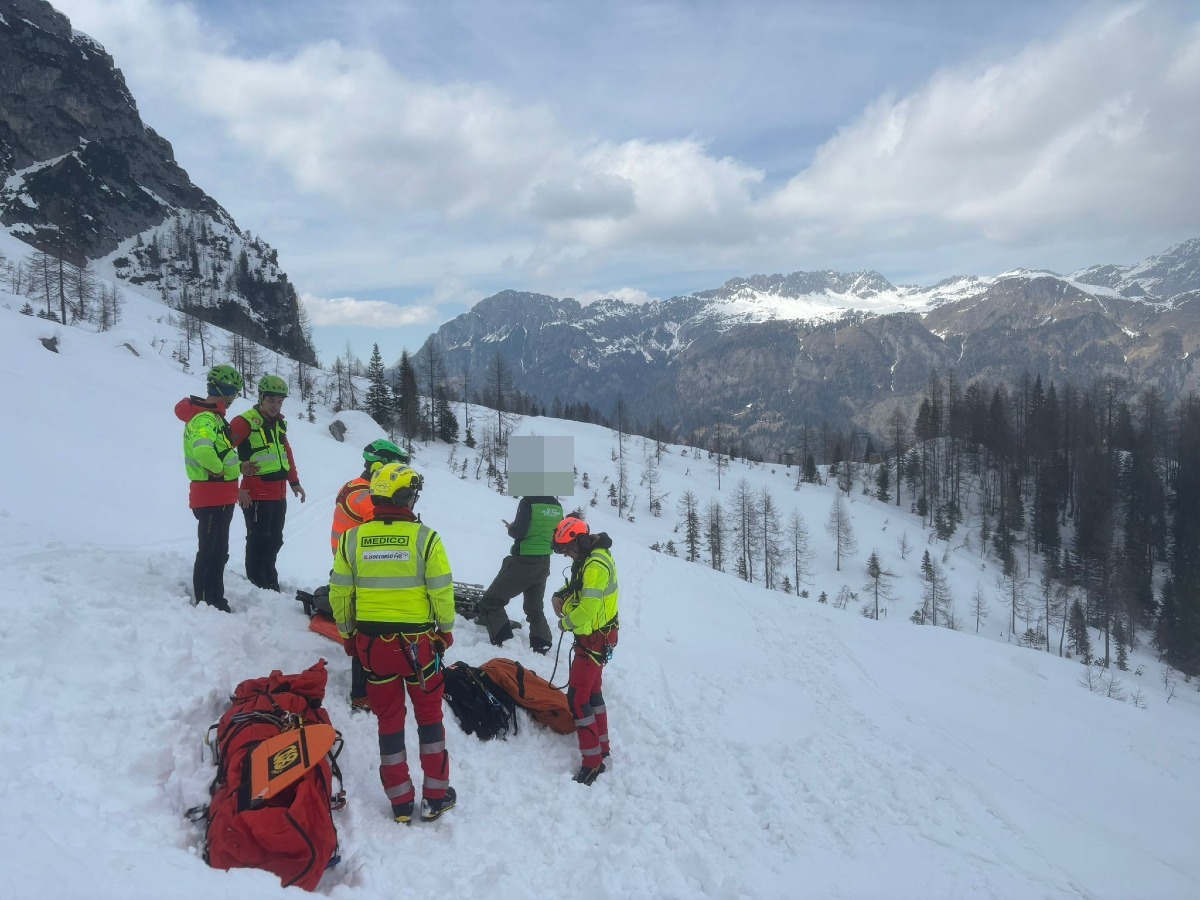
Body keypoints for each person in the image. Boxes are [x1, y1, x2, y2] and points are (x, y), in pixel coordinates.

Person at [328, 463, 457, 823]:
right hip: (419, 647)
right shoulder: (425, 538)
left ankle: (400, 801)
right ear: (406, 497)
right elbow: (441, 592)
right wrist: (445, 630)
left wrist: (348, 635)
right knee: (429, 719)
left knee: (388, 721)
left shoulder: (353, 539)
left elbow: (340, 592)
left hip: (373, 647)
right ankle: (434, 796)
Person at [329, 439, 411, 711]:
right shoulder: (366, 497)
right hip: (358, 570)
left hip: (354, 564)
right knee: (366, 627)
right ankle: (361, 693)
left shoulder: (353, 486)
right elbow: (386, 528)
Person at [550, 517, 619, 785]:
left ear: (579, 541)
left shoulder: (595, 565)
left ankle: (592, 763)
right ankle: (602, 748)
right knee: (592, 693)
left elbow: (588, 608)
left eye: (568, 548)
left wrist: (565, 621)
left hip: (593, 639)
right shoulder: (589, 559)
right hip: (597, 637)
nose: (566, 554)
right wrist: (559, 594)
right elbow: (577, 588)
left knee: (578, 699)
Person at [175, 364, 244, 612]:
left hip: (220, 495)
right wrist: (218, 469)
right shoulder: (206, 418)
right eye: (234, 392)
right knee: (211, 550)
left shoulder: (213, 418)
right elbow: (203, 449)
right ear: (226, 392)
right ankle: (207, 600)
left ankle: (214, 598)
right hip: (212, 494)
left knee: (218, 549)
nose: (234, 398)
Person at [230, 374, 305, 592]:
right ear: (261, 397)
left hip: (278, 493)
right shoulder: (243, 422)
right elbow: (222, 453)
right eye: (271, 400)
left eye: (280, 401)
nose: (276, 405)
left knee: (275, 540)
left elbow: (286, 453)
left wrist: (295, 482)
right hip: (255, 493)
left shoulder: (279, 423)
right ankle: (258, 584)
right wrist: (236, 488)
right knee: (258, 539)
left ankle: (269, 578)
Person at [479, 494, 564, 653]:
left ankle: (504, 640)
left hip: (524, 559)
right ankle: (542, 641)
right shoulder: (557, 506)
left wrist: (511, 528)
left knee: (491, 601)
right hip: (544, 561)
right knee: (534, 607)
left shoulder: (528, 502)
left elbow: (519, 532)